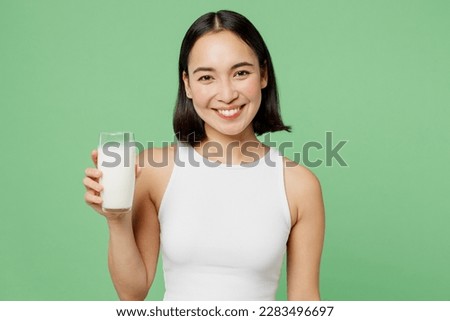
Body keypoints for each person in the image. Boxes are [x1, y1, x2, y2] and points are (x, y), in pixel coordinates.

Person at [83, 10, 325, 301]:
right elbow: (132, 293)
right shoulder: (153, 170)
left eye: (240, 73)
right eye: (207, 77)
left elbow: (305, 302)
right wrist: (116, 218)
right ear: (187, 84)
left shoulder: (299, 185)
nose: (226, 94)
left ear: (263, 74)